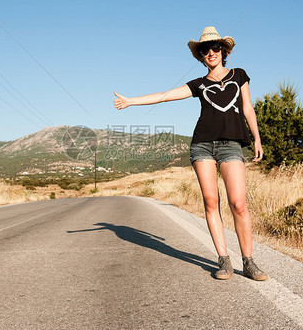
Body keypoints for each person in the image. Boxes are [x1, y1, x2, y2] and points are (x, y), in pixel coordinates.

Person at [113, 26, 268, 281]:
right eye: (205, 50)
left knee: (238, 204)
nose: (211, 52)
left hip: (231, 145)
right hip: (202, 146)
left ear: (223, 50)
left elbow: (248, 108)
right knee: (210, 202)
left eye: (215, 47)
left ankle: (248, 262)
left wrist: (257, 137)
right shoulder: (198, 84)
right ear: (201, 55)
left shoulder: (239, 75)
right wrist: (131, 101)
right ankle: (223, 260)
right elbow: (165, 95)